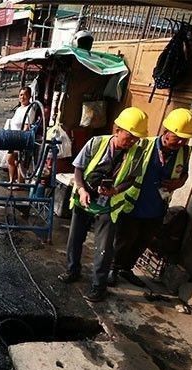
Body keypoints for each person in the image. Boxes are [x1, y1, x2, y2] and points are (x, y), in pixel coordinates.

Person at [59, 107, 149, 303]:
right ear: (117, 130)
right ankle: (72, 270)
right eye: (130, 136)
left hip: (109, 205)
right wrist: (82, 190)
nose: (132, 141)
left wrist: (115, 190)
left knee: (104, 248)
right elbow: (78, 168)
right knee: (75, 239)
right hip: (85, 199)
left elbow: (132, 178)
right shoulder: (96, 143)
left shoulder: (136, 153)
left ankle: (98, 287)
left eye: (136, 138)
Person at [109, 109, 192, 287]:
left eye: (185, 139)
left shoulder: (184, 152)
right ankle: (112, 269)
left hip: (157, 207)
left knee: (143, 241)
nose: (180, 142)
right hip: (133, 203)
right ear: (166, 131)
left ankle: (127, 269)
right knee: (124, 239)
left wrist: (178, 184)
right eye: (177, 137)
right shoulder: (143, 145)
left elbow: (185, 174)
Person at [2, 86, 35, 185]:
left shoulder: (30, 109)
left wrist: (21, 138)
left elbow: (27, 126)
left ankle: (19, 183)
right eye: (21, 95)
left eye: (25, 95)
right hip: (13, 137)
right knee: (10, 159)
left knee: (19, 160)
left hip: (21, 138)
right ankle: (12, 180)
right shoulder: (19, 108)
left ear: (29, 96)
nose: (22, 97)